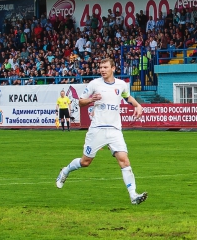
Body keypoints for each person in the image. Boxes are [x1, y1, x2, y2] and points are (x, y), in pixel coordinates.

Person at [55, 57, 147, 206]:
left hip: (115, 129)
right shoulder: (94, 84)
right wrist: (91, 99)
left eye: (105, 67)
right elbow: (80, 101)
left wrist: (138, 105)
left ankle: (133, 195)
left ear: (113, 68)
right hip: (97, 129)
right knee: (85, 162)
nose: (102, 70)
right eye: (101, 67)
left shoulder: (121, 85)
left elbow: (127, 97)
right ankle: (65, 171)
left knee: (124, 160)